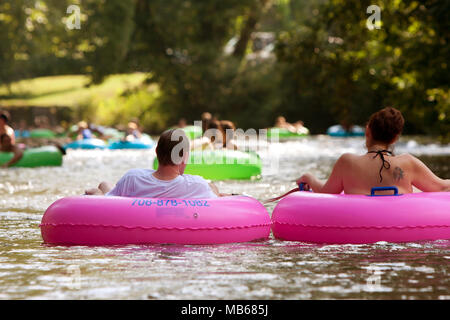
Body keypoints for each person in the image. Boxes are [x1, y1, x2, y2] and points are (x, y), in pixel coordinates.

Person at [296, 107, 450, 194]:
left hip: (358, 233)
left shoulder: (347, 162)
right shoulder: (407, 163)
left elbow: (326, 193)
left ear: (367, 131)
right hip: (401, 232)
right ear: (395, 137)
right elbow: (442, 187)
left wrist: (309, 178)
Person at [85, 128, 226, 198]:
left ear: (157, 152)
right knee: (212, 186)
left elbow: (109, 202)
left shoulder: (133, 178)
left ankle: (99, 190)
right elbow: (218, 204)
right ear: (185, 158)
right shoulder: (196, 185)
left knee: (104, 185)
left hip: (135, 190)